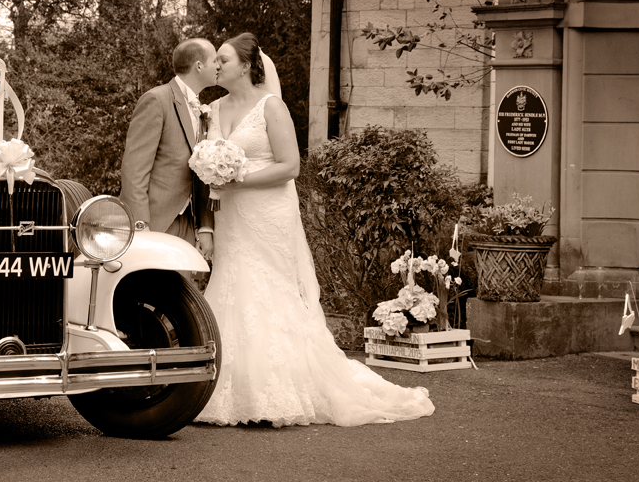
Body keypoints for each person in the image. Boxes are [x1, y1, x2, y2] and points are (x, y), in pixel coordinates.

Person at [193, 33, 435, 427]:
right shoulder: (213, 109)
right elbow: (207, 169)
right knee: (232, 283)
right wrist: (212, 194)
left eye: (223, 59)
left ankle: (280, 390)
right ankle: (222, 389)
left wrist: (238, 178)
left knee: (269, 287)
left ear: (246, 65)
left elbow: (290, 167)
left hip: (267, 213)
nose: (216, 65)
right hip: (231, 217)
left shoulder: (271, 107)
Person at [120, 38, 216, 262]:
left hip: (188, 223)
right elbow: (134, 169)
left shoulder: (202, 110)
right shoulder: (157, 99)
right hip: (156, 220)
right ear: (199, 66)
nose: (218, 66)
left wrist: (204, 226)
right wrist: (140, 224)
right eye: (214, 61)